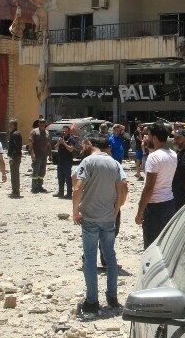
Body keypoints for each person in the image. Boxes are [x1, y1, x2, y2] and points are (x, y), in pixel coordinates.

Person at [72, 134, 126, 313]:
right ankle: (112, 297)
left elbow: (78, 187)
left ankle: (92, 301)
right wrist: (116, 210)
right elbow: (122, 190)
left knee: (90, 258)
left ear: (90, 144)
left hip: (90, 217)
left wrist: (75, 211)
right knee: (110, 257)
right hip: (108, 216)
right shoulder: (114, 163)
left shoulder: (88, 162)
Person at [135, 122, 177, 249]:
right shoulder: (173, 154)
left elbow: (149, 188)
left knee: (151, 245)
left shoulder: (153, 157)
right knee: (164, 243)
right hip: (169, 202)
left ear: (154, 137)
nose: (146, 138)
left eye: (148, 135)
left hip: (154, 206)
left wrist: (140, 211)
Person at [54, 126, 77, 198]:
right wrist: (59, 142)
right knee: (60, 178)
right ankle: (60, 192)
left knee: (68, 178)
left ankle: (69, 193)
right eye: (63, 131)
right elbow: (55, 148)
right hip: (60, 161)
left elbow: (70, 149)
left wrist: (63, 143)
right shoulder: (61, 139)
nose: (64, 133)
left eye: (65, 131)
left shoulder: (71, 139)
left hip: (67, 162)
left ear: (69, 132)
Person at [28, 120, 51, 193]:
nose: (42, 124)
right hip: (37, 155)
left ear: (45, 124)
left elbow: (48, 144)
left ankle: (40, 186)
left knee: (42, 172)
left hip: (44, 155)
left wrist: (50, 154)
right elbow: (30, 143)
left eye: (43, 123)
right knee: (36, 171)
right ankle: (34, 187)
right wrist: (32, 153)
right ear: (38, 123)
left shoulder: (47, 133)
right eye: (40, 123)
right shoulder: (34, 132)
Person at [7, 119, 23, 198]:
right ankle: (15, 190)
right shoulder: (15, 133)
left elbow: (16, 148)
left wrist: (12, 157)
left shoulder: (15, 134)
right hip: (16, 156)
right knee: (14, 174)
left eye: (10, 125)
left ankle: (16, 192)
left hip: (15, 157)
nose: (8, 126)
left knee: (14, 174)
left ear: (13, 125)